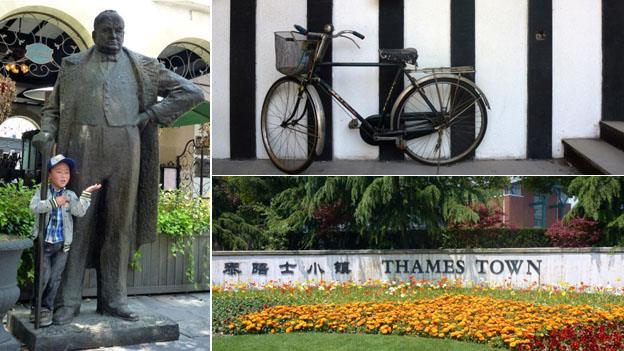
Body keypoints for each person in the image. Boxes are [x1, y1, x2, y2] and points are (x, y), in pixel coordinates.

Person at [32, 10, 204, 325]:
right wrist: (46, 132)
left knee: (118, 226)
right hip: (83, 147)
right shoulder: (72, 66)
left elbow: (192, 92)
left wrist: (152, 114)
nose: (114, 36)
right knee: (78, 225)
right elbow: (52, 109)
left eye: (119, 30)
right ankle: (67, 302)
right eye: (108, 31)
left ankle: (114, 299)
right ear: (95, 33)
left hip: (128, 150)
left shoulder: (145, 66)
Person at [29, 154, 101, 327]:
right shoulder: (42, 191)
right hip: (43, 243)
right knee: (43, 277)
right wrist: (54, 202)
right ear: (49, 174)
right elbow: (34, 207)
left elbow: (79, 211)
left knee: (54, 279)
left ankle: (47, 309)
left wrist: (85, 194)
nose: (63, 176)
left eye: (66, 172)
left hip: (62, 246)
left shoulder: (70, 195)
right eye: (59, 171)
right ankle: (35, 308)